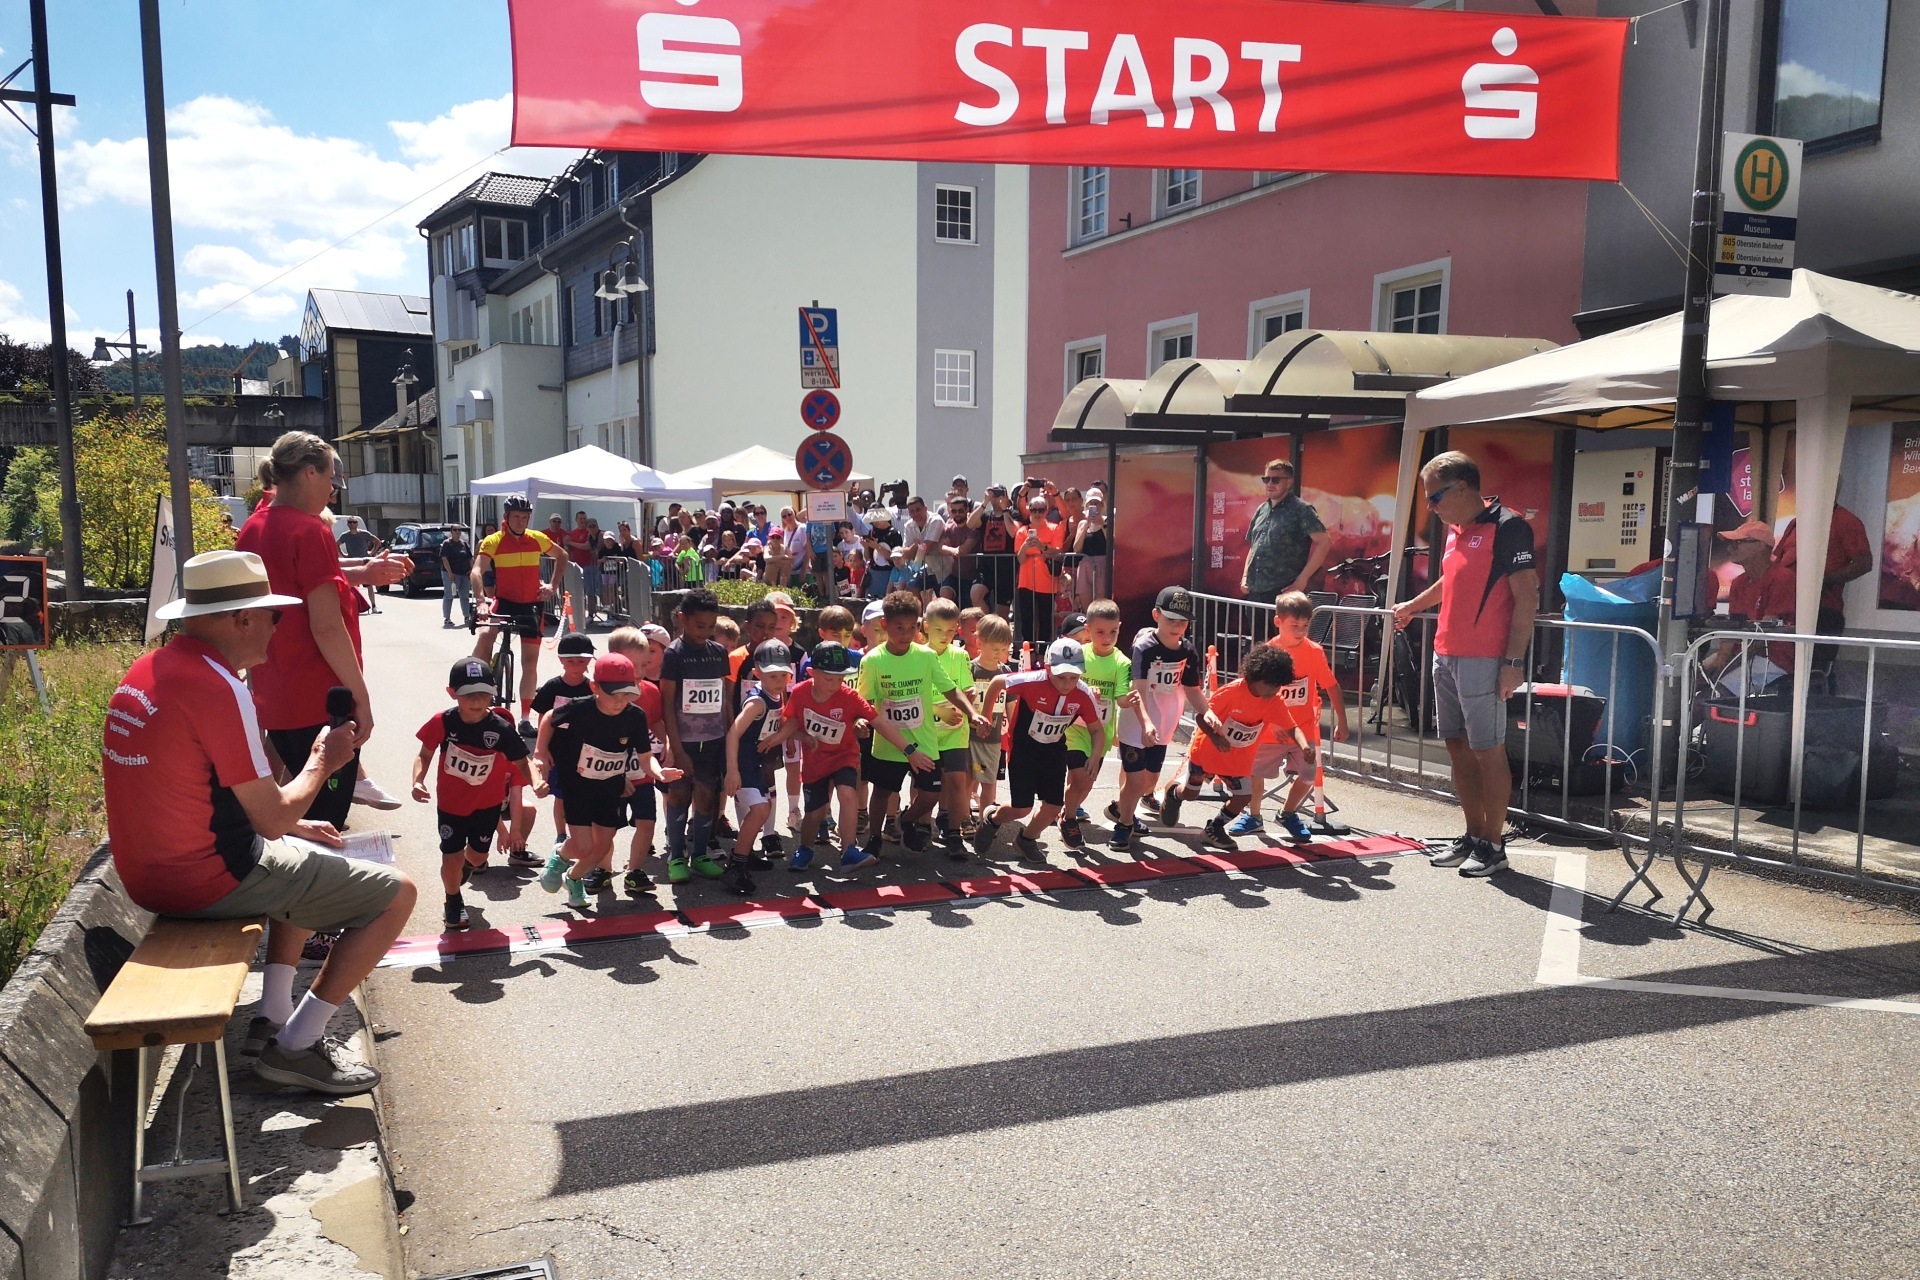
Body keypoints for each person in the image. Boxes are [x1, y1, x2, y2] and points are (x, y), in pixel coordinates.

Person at [102, 549, 416, 1094]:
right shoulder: (217, 687)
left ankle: (273, 1012)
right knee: (399, 894)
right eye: (274, 615)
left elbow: (214, 793)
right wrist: (325, 759)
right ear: (242, 619)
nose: (278, 626)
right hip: (204, 880)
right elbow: (271, 820)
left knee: (309, 857)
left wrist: (296, 826)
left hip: (148, 874)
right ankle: (296, 1048)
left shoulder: (151, 669)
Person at [236, 433, 411, 830]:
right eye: (332, 478)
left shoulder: (253, 526)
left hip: (275, 694)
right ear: (310, 472)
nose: (333, 490)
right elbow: (327, 627)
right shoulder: (308, 529)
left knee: (302, 817)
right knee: (325, 825)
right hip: (318, 699)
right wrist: (361, 699)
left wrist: (360, 572)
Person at [1392, 451, 1538, 879]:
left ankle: (1494, 844)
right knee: (1457, 747)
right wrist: (1413, 606)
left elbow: (1527, 596)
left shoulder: (1509, 527)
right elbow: (1451, 579)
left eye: (1434, 497)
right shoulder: (1457, 530)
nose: (1430, 507)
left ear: (1461, 488)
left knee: (1487, 751)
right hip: (1447, 652)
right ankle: (1473, 836)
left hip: (1485, 658)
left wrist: (1513, 661)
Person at [532, 653, 677, 909]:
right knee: (583, 846)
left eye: (626, 693)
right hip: (576, 784)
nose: (620, 701)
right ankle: (560, 857)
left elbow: (645, 757)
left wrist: (659, 773)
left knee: (601, 847)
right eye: (613, 694)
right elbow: (548, 719)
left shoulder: (635, 716)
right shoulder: (579, 708)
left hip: (610, 787)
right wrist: (540, 752)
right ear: (595, 687)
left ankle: (574, 878)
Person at [855, 590, 987, 867]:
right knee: (882, 791)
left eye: (911, 627)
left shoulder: (926, 656)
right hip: (889, 742)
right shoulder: (873, 661)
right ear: (885, 626)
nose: (905, 633)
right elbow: (864, 702)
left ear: (918, 626)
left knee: (931, 793)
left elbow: (950, 689)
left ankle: (908, 819)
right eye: (898, 628)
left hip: (925, 740)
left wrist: (973, 713)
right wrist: (860, 721)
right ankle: (875, 838)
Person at [410, 658, 531, 931]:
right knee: (450, 857)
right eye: (468, 695)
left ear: (494, 690)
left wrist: (536, 781)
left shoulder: (500, 728)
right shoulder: (443, 722)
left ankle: (461, 870)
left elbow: (524, 761)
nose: (477, 701)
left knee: (476, 858)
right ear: (452, 693)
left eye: (483, 694)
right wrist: (418, 781)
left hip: (487, 806)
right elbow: (424, 754)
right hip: (451, 805)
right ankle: (453, 900)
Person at [971, 638, 1106, 866]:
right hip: (1024, 748)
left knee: (1054, 806)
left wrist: (1095, 755)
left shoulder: (1082, 694)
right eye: (1061, 677)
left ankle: (1027, 839)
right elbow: (996, 682)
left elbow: (1097, 730)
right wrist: (986, 717)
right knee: (1021, 808)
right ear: (1047, 668)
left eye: (1074, 678)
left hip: (1053, 750)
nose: (1067, 684)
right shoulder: (1031, 680)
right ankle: (993, 818)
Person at [1109, 587, 1219, 853]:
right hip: (1137, 721)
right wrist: (1146, 723)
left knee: (1148, 782)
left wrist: (1208, 711)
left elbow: (1192, 688)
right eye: (1171, 620)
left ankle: (1122, 807)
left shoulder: (1188, 651)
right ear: (1156, 615)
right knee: (1135, 782)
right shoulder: (1145, 648)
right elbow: (1139, 689)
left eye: (1182, 621)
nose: (1177, 626)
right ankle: (1124, 824)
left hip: (1165, 722)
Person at [1160, 646, 1299, 851]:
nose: (1274, 690)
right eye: (1270, 685)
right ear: (1255, 676)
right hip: (1206, 753)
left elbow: (1291, 726)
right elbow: (1201, 716)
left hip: (1237, 760)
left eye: (1278, 686)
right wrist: (1216, 738)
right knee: (1191, 794)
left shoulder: (1274, 701)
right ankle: (1175, 794)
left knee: (1244, 796)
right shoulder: (1231, 692)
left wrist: (1305, 747)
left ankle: (1214, 828)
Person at [1240, 592, 1350, 839]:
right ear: (1278, 622)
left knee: (1309, 775)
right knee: (1256, 773)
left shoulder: (1314, 651)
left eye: (1305, 626)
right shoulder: (1267, 651)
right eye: (1294, 626)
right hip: (1270, 730)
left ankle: (1287, 813)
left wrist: (1342, 721)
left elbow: (1331, 685)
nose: (1300, 631)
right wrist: (1272, 722)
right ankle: (1254, 816)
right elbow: (1254, 692)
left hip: (1302, 729)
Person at [471, 495, 567, 730]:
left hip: (531, 604)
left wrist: (552, 586)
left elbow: (562, 556)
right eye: (516, 517)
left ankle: (525, 718)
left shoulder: (536, 539)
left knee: (530, 661)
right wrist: (481, 601)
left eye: (525, 517)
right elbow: (476, 571)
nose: (521, 521)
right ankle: (476, 681)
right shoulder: (494, 541)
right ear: (506, 517)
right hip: (504, 601)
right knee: (485, 635)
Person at [658, 588, 733, 883]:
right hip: (683, 742)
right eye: (699, 626)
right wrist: (676, 749)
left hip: (713, 740)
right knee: (678, 795)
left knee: (706, 797)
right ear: (682, 620)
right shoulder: (673, 654)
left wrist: (730, 741)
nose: (705, 632)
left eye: (711, 627)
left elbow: (725, 700)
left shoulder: (718, 653)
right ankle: (676, 856)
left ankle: (700, 854)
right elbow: (667, 704)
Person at [895, 598, 976, 858]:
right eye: (939, 630)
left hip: (955, 732)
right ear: (926, 627)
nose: (945, 636)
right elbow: (909, 697)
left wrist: (970, 701)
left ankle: (954, 832)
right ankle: (921, 824)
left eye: (951, 631)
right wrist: (939, 710)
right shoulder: (915, 654)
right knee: (923, 783)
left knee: (956, 781)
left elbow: (965, 689)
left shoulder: (960, 655)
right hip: (924, 733)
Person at [721, 642, 799, 894]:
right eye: (772, 675)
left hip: (755, 764)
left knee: (758, 812)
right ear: (757, 672)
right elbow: (733, 733)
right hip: (743, 765)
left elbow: (788, 722)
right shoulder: (757, 702)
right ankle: (735, 866)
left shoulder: (776, 696)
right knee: (760, 809)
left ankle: (744, 854)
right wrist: (732, 770)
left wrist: (783, 739)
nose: (778, 680)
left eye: (783, 675)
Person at [1059, 600, 1137, 849]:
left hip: (1100, 732)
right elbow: (1063, 684)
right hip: (1075, 728)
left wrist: (1131, 700)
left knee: (1086, 782)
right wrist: (1082, 688)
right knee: (1080, 776)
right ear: (1088, 630)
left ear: (1120, 628)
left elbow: (1121, 698)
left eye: (1113, 631)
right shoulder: (1079, 655)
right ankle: (1068, 818)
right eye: (1100, 632)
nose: (1107, 637)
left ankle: (1067, 809)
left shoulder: (1122, 662)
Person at [1775, 502, 1872, 673]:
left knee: (1814, 674)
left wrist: (1821, 581)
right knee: (1782, 670)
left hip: (1822, 609)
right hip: (1787, 608)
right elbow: (1778, 560)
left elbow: (1863, 563)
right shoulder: (1797, 522)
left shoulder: (1845, 520)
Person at [1701, 520, 1795, 694]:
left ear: (1760, 545)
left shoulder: (1783, 578)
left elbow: (1763, 635)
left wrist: (1725, 666)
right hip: (1742, 654)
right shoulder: (1738, 582)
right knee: (1691, 682)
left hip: (1774, 659)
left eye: (1737, 543)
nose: (1730, 549)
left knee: (1713, 693)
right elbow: (1734, 626)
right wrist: (1722, 657)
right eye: (1730, 544)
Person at [531, 632, 599, 853]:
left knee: (583, 794)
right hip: (558, 750)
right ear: (561, 660)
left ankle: (582, 831)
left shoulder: (592, 688)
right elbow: (543, 717)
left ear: (589, 661)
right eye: (571, 661)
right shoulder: (552, 687)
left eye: (582, 660)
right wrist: (544, 749)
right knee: (560, 796)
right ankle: (561, 834)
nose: (576, 665)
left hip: (583, 751)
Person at [1241, 459, 1331, 601]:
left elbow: (1324, 543)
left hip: (1284, 592)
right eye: (1266, 479)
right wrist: (1246, 575)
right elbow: (1254, 546)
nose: (1270, 484)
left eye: (1275, 480)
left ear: (1288, 482)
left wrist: (1302, 579)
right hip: (1255, 591)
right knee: (1255, 624)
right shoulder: (1261, 509)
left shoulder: (1301, 509)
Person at [968, 614, 1015, 821]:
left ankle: (985, 820)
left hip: (993, 739)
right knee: (967, 780)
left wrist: (1014, 732)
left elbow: (1011, 706)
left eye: (1004, 650)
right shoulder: (970, 668)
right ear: (979, 642)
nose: (1000, 654)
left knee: (989, 781)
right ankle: (963, 819)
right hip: (968, 737)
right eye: (996, 649)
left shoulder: (1005, 672)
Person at [1014, 491, 1066, 645]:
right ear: (1029, 510)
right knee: (1027, 621)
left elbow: (1057, 551)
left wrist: (1041, 546)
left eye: (1041, 510)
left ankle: (1043, 655)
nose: (1037, 513)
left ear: (1046, 511)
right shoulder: (1022, 532)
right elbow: (1021, 559)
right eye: (1034, 510)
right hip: (1026, 582)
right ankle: (1028, 655)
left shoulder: (1055, 528)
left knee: (1045, 621)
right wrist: (1025, 546)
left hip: (1048, 582)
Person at [439, 526, 474, 629]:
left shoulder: (464, 544)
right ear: (451, 532)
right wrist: (450, 573)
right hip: (451, 573)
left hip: (464, 574)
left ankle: (466, 616)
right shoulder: (447, 544)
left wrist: (472, 570)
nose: (457, 532)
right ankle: (447, 618)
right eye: (455, 530)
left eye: (459, 530)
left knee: (464, 596)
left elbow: (470, 558)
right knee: (449, 595)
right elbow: (444, 559)